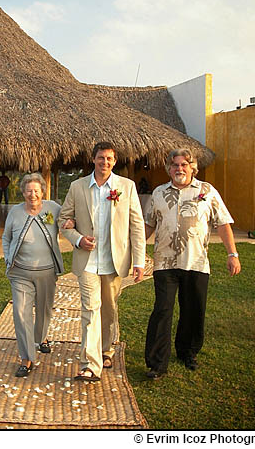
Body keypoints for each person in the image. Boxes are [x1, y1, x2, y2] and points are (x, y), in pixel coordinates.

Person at [143, 149, 241, 380]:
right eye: (175, 165)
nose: (179, 169)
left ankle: (187, 352)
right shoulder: (158, 193)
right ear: (168, 168)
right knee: (162, 310)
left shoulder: (207, 191)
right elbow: (148, 225)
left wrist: (232, 254)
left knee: (193, 310)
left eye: (184, 164)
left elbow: (223, 223)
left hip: (196, 262)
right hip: (164, 263)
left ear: (192, 168)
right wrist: (132, 250)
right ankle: (157, 364)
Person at [59, 141, 146, 382]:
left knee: (109, 309)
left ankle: (107, 349)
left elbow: (137, 226)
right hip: (87, 262)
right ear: (93, 159)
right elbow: (64, 219)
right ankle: (90, 364)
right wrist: (77, 240)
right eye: (100, 158)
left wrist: (139, 260)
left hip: (114, 261)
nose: (104, 162)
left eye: (109, 158)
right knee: (90, 309)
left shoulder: (126, 187)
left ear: (114, 161)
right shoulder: (77, 187)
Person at [2, 173, 65, 377]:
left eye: (36, 190)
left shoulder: (53, 208)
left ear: (42, 192)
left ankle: (41, 337)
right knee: (21, 312)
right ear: (23, 192)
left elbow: (68, 220)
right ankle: (27, 357)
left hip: (46, 271)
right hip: (20, 271)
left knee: (44, 309)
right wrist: (7, 257)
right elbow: (6, 237)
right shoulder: (15, 212)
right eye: (28, 191)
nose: (32, 194)